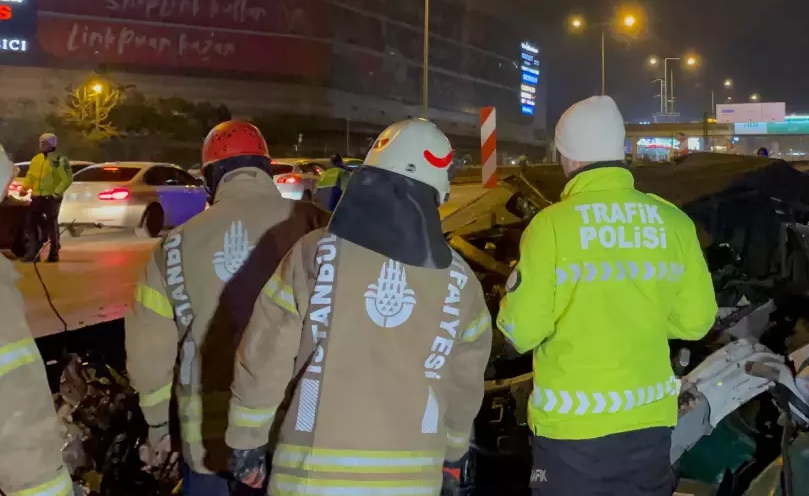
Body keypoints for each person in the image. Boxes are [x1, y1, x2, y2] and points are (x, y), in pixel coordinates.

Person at [225, 119, 491, 496]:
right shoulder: (462, 282)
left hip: (311, 480)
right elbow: (464, 386)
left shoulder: (313, 253)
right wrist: (455, 451)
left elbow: (265, 353)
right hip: (413, 483)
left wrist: (246, 439)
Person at [497, 95, 718, 496]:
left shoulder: (551, 227)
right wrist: (641, 317)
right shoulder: (672, 222)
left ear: (568, 157)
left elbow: (522, 331)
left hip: (572, 435)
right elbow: (696, 322)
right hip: (649, 425)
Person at [125, 120, 328, 496]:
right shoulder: (316, 226)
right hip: (299, 432)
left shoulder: (174, 246)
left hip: (208, 439)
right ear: (266, 168)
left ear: (210, 177)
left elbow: (148, 351)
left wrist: (157, 428)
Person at [0, 142, 74, 496]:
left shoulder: (55, 160)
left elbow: (63, 178)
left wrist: (50, 193)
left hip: (51, 199)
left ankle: (54, 249)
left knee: (51, 227)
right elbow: (16, 414)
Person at [20, 132, 72, 263]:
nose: (42, 145)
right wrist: (24, 188)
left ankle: (54, 253)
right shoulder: (36, 159)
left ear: (52, 145)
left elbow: (66, 179)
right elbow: (30, 176)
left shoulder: (60, 160)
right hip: (37, 196)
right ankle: (33, 251)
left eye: (45, 143)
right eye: (41, 143)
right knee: (30, 223)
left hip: (52, 198)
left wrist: (56, 193)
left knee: (51, 224)